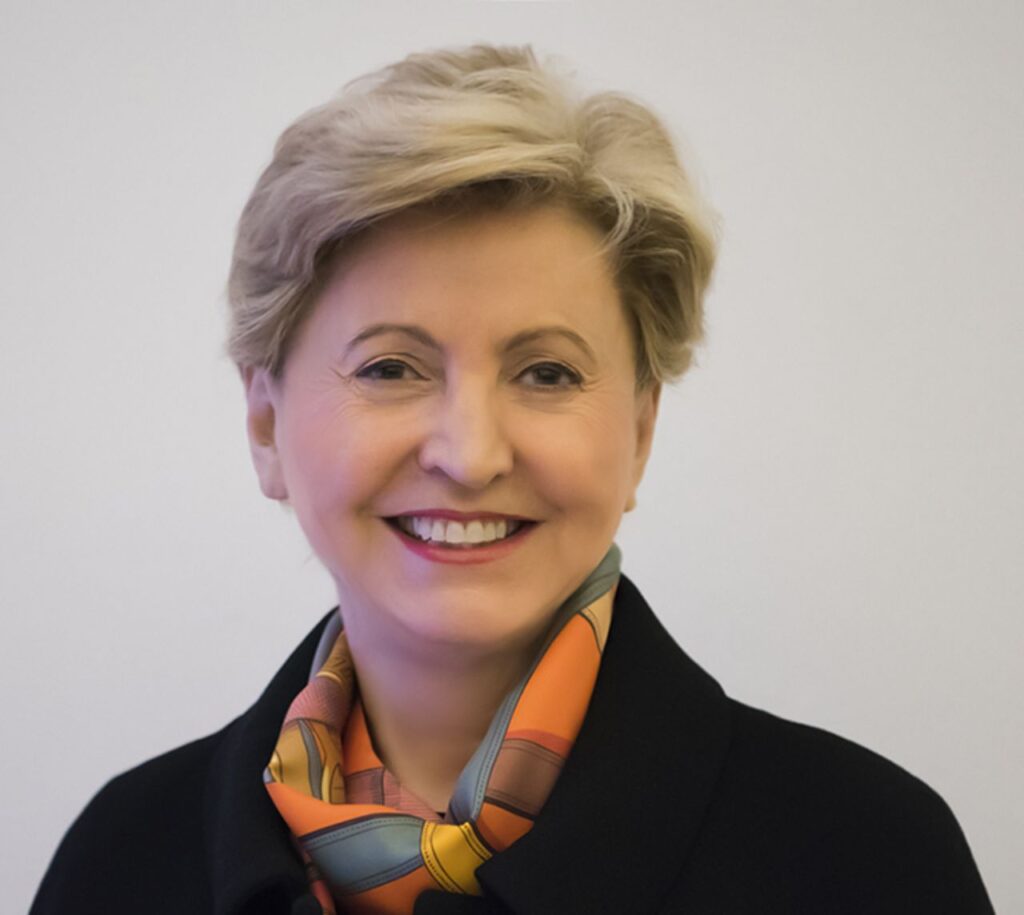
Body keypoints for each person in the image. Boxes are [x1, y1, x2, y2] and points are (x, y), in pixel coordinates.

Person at [31, 43, 994, 915]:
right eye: (391, 367)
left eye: (548, 373)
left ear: (641, 429)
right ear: (265, 424)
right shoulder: (121, 859)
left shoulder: (867, 858)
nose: (471, 453)